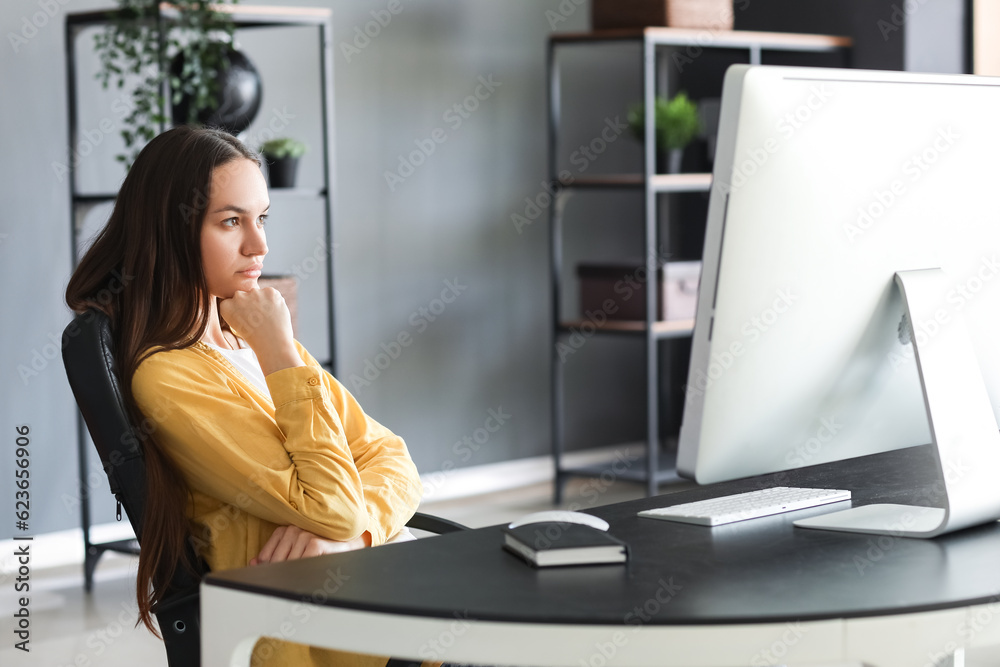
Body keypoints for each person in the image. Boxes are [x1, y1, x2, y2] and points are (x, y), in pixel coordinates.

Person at [65, 125, 425, 667]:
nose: (259, 245)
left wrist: (355, 537)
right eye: (231, 221)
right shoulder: (171, 378)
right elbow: (331, 505)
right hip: (333, 636)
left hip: (383, 597)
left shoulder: (248, 334)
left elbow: (391, 457)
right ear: (172, 231)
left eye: (261, 219)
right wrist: (281, 350)